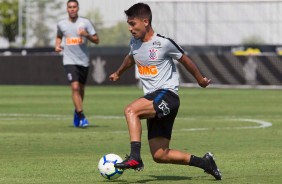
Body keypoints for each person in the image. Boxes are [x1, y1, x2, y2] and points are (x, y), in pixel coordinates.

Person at [109, 3, 222, 180]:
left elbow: (185, 59)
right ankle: (205, 163)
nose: (130, 28)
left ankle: (135, 157)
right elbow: (130, 58)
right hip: (154, 99)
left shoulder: (163, 43)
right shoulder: (135, 43)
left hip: (167, 95)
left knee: (131, 110)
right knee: (160, 155)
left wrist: (200, 80)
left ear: (145, 21)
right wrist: (118, 73)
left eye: (133, 23)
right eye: (129, 24)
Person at [55, 0, 99, 128]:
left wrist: (86, 35)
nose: (72, 9)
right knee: (74, 87)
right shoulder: (62, 24)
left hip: (83, 61)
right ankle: (81, 115)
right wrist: (57, 45)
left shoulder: (85, 23)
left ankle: (76, 111)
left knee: (81, 89)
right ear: (67, 9)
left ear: (78, 8)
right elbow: (59, 36)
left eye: (74, 7)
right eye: (70, 7)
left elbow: (97, 40)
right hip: (69, 60)